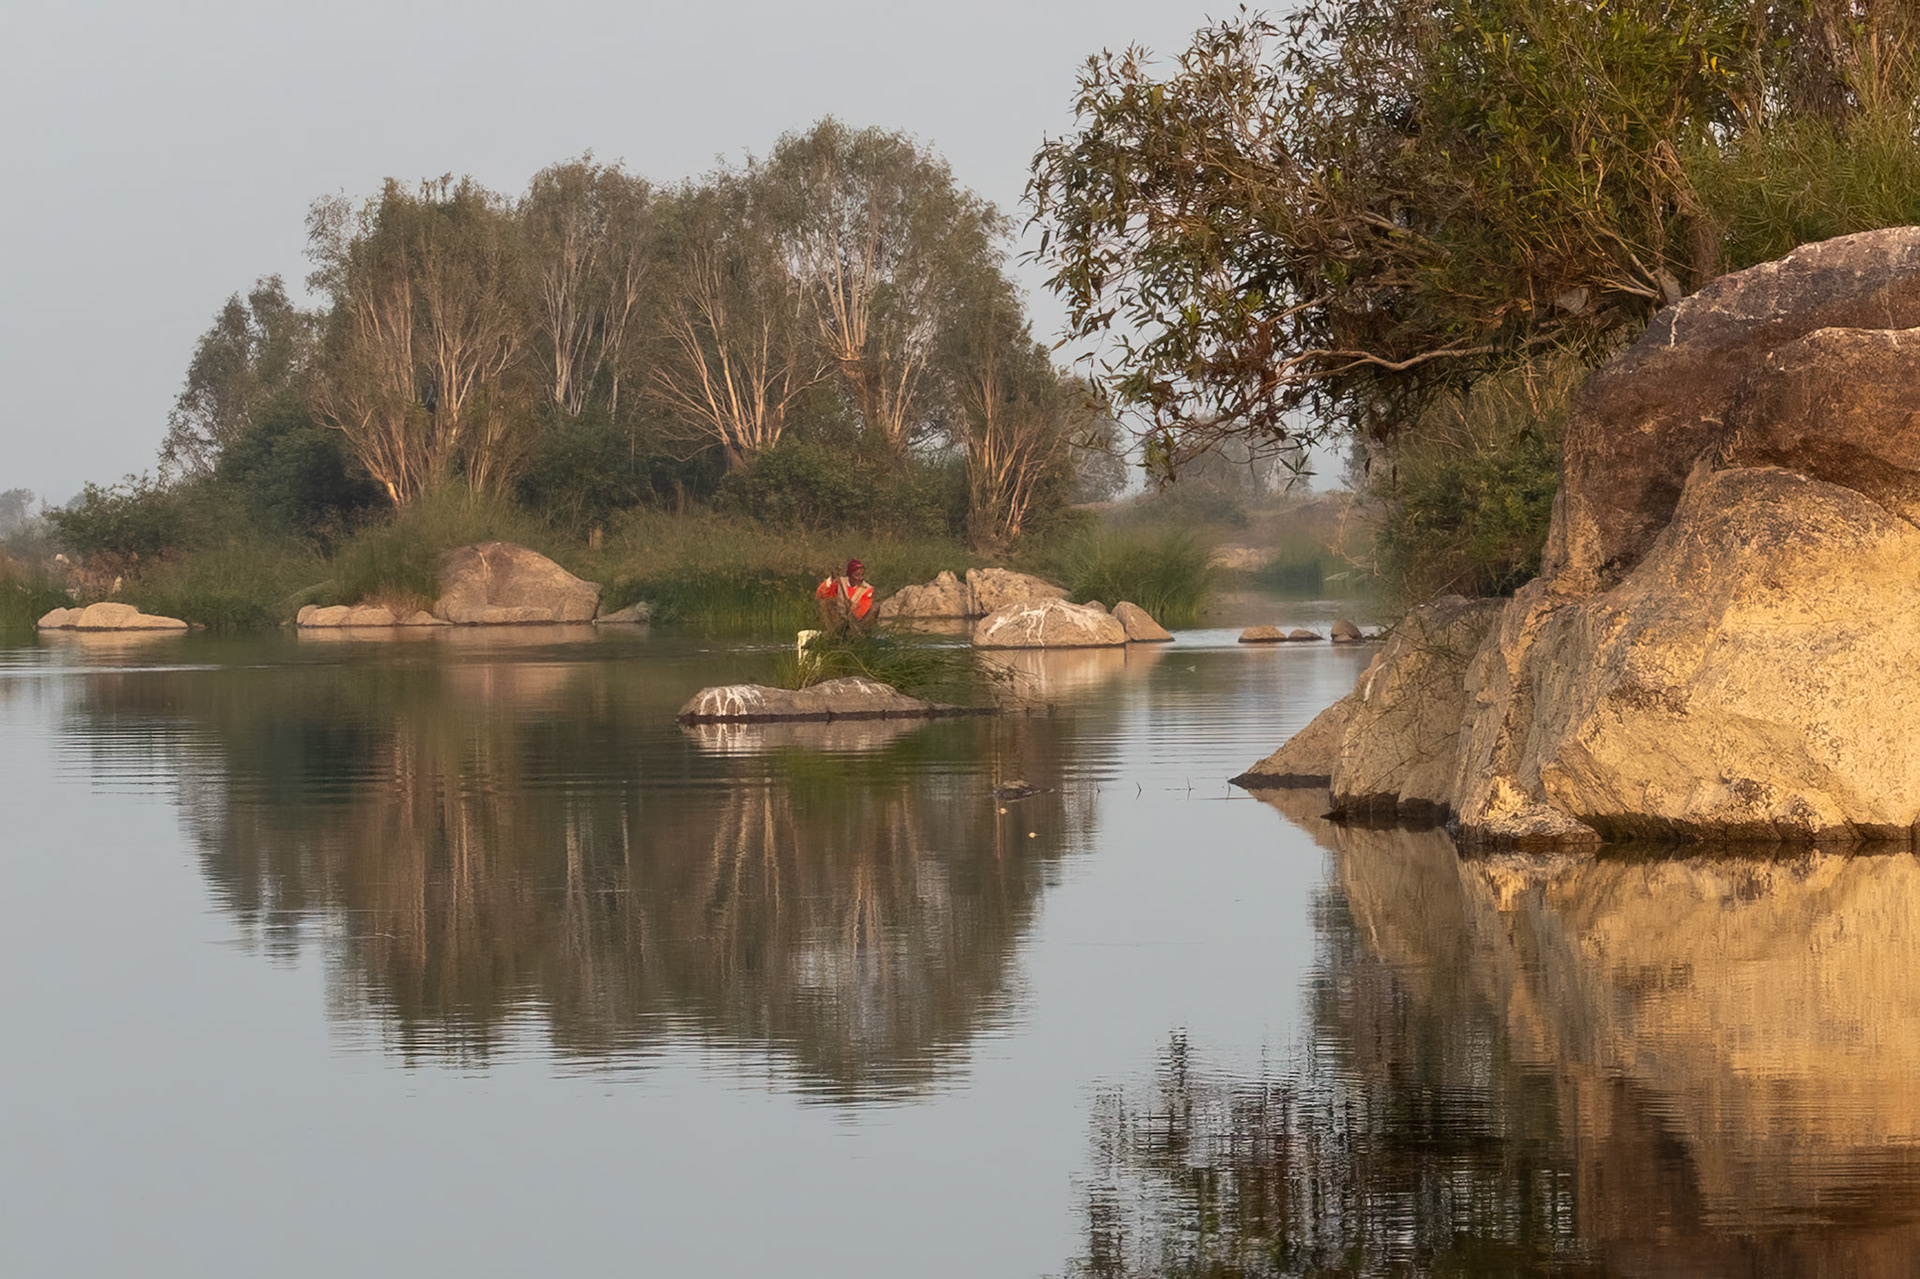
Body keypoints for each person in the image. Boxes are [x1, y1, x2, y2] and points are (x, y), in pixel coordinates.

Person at [815, 559, 876, 634]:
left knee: (875, 608)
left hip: (855, 622)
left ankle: (862, 635)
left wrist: (851, 611)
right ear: (850, 575)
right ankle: (834, 633)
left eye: (862, 575)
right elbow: (822, 594)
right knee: (826, 602)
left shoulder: (867, 589)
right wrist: (832, 578)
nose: (861, 578)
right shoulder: (838, 582)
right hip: (837, 618)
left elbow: (863, 609)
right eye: (857, 575)